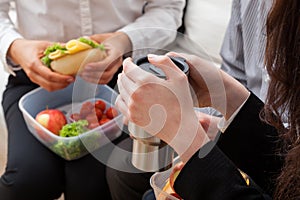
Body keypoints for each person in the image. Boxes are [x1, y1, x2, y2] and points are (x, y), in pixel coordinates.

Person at [0, 1, 185, 199]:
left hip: (120, 78)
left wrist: (124, 40)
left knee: (91, 186)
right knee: (26, 181)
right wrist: (15, 47)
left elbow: (167, 9)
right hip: (35, 77)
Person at [115, 0, 300, 199]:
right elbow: (290, 170)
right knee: (123, 171)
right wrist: (230, 99)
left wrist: (186, 135)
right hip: (275, 143)